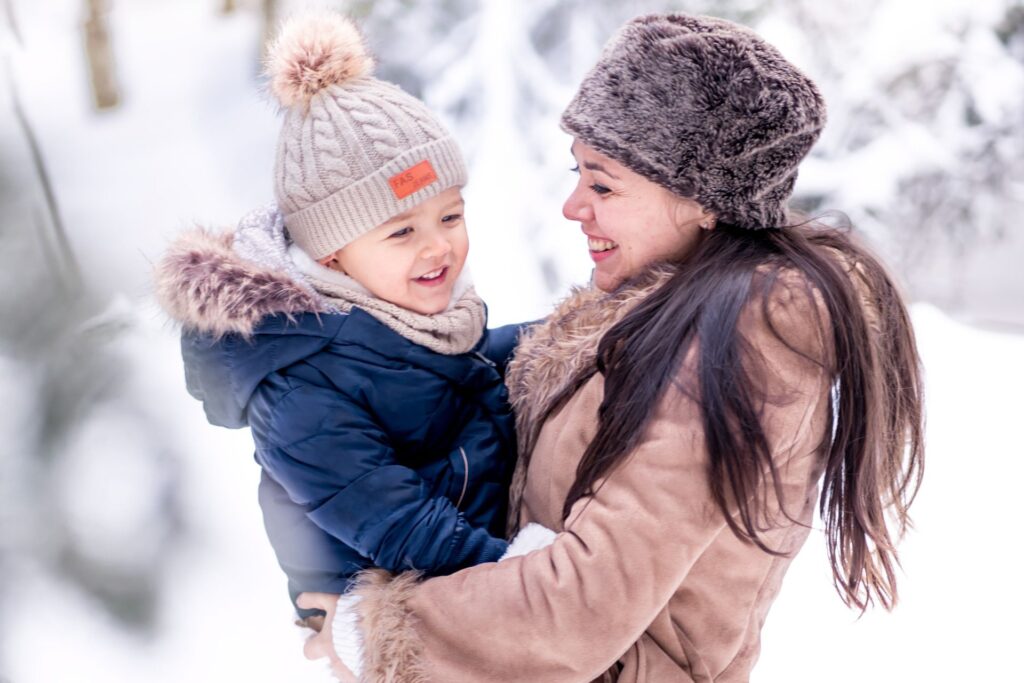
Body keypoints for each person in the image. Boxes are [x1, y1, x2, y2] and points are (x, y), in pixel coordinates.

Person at [299, 12, 925, 683]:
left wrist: (379, 628)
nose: (573, 205)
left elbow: (577, 608)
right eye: (578, 174)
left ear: (701, 200)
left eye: (603, 183)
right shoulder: (650, 320)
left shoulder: (739, 348)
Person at [154, 12, 551, 626]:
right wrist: (528, 581)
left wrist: (569, 336)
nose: (438, 247)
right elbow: (396, 521)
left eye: (450, 217)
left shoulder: (397, 305)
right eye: (402, 231)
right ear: (332, 253)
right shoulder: (297, 383)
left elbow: (457, 371)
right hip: (390, 601)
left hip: (459, 549)